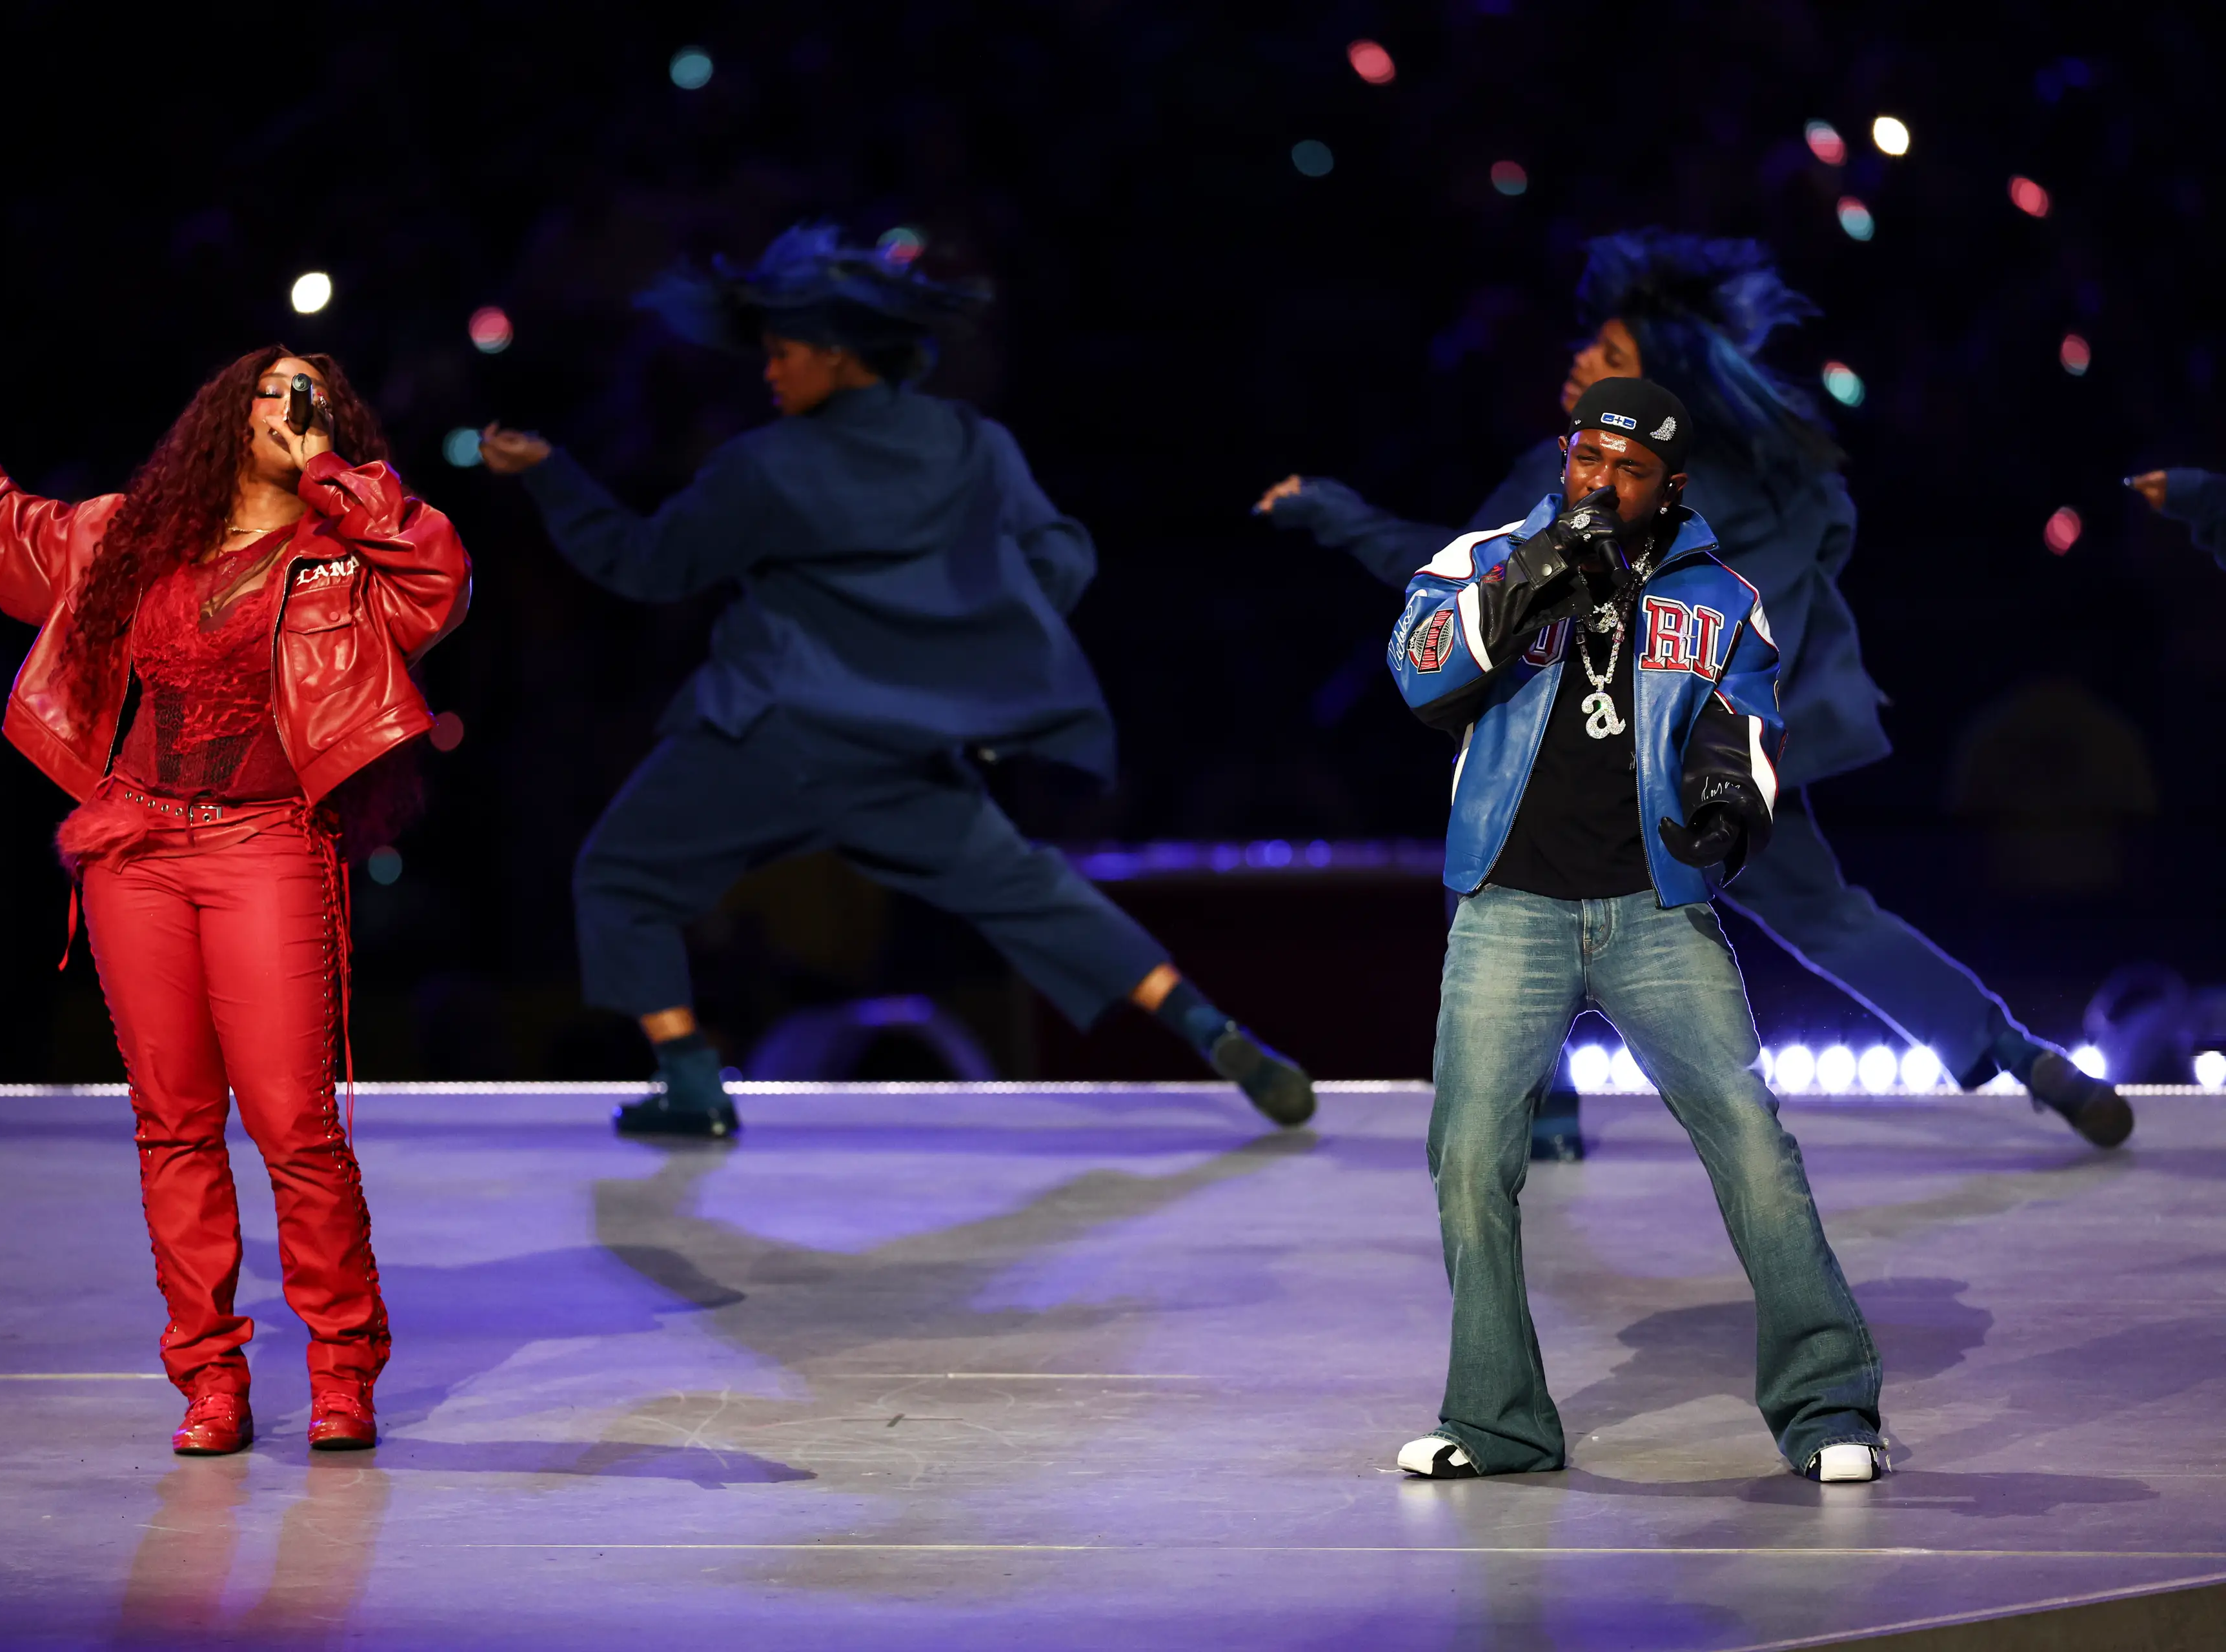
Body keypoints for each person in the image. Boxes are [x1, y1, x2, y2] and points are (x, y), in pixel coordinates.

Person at [1260, 231, 2129, 1153]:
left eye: (1611, 357)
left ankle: (1543, 1112)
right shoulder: (1739, 483)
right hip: (1715, 748)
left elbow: (1484, 586)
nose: (1581, 361)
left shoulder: (1639, 486)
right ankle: (2024, 1056)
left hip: (1635, 750)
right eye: (1591, 347)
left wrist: (1336, 515)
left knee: (1493, 875)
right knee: (1827, 915)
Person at [480, 223, 1313, 1138]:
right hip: (904, 756)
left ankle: (691, 1083)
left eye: (785, 354)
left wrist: (553, 478)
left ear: (840, 355)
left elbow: (645, 567)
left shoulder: (765, 466)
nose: (770, 374)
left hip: (768, 742)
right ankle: (1221, 1035)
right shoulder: (971, 443)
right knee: (1034, 892)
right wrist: (983, 640)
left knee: (620, 874)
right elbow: (1060, 558)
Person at [0, 350, 471, 1456]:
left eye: (316, 395)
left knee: (294, 1121)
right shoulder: (134, 534)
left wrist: (334, 468)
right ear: (222, 416)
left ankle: (342, 1373)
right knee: (174, 1122)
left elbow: (439, 580)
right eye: (274, 391)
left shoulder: (348, 550)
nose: (296, 407)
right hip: (135, 846)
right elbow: (29, 550)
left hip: (269, 843)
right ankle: (211, 1379)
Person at [1388, 376, 1886, 1483]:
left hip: (1655, 910)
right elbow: (1419, 676)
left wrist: (1725, 797)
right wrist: (1531, 578)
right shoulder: (1482, 562)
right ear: (1564, 458)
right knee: (1469, 1158)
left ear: (1672, 488)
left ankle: (1830, 1408)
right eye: (1586, 460)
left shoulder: (1720, 598)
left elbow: (1744, 725)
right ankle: (1498, 1421)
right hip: (1510, 905)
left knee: (1756, 1151)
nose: (1600, 484)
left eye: (1629, 471)